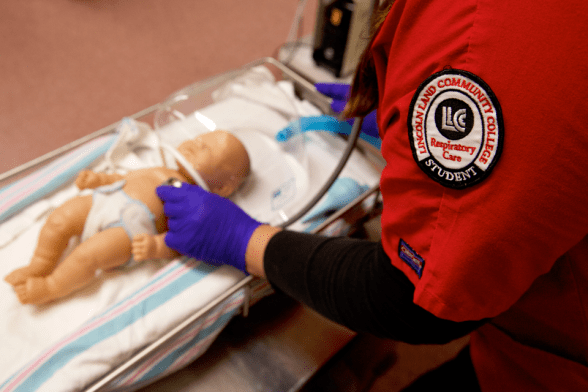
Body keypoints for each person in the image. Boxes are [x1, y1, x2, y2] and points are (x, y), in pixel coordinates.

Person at [154, 1, 588, 390]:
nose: (194, 150)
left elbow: (412, 300)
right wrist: (407, 115)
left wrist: (243, 241)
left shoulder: (485, 43)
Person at [4, 130, 250, 305]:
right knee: (58, 221)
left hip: (129, 229)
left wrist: (155, 246)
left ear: (223, 188)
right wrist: (99, 180)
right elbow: (126, 178)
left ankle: (51, 287)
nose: (194, 143)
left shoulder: (196, 202)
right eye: (198, 138)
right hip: (105, 199)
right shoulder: (160, 170)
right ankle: (39, 265)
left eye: (205, 149)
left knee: (87, 256)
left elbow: (181, 239)